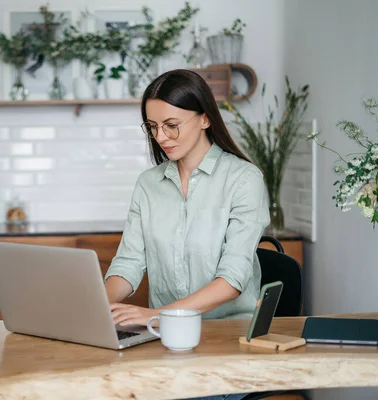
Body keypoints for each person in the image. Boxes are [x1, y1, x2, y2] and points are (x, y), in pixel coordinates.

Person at [104, 69, 270, 400]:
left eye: (171, 125)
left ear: (205, 118)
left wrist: (158, 315)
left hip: (228, 340)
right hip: (165, 342)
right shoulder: (148, 184)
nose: (160, 137)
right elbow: (129, 262)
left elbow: (233, 279)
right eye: (152, 127)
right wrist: (96, 307)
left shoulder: (243, 179)